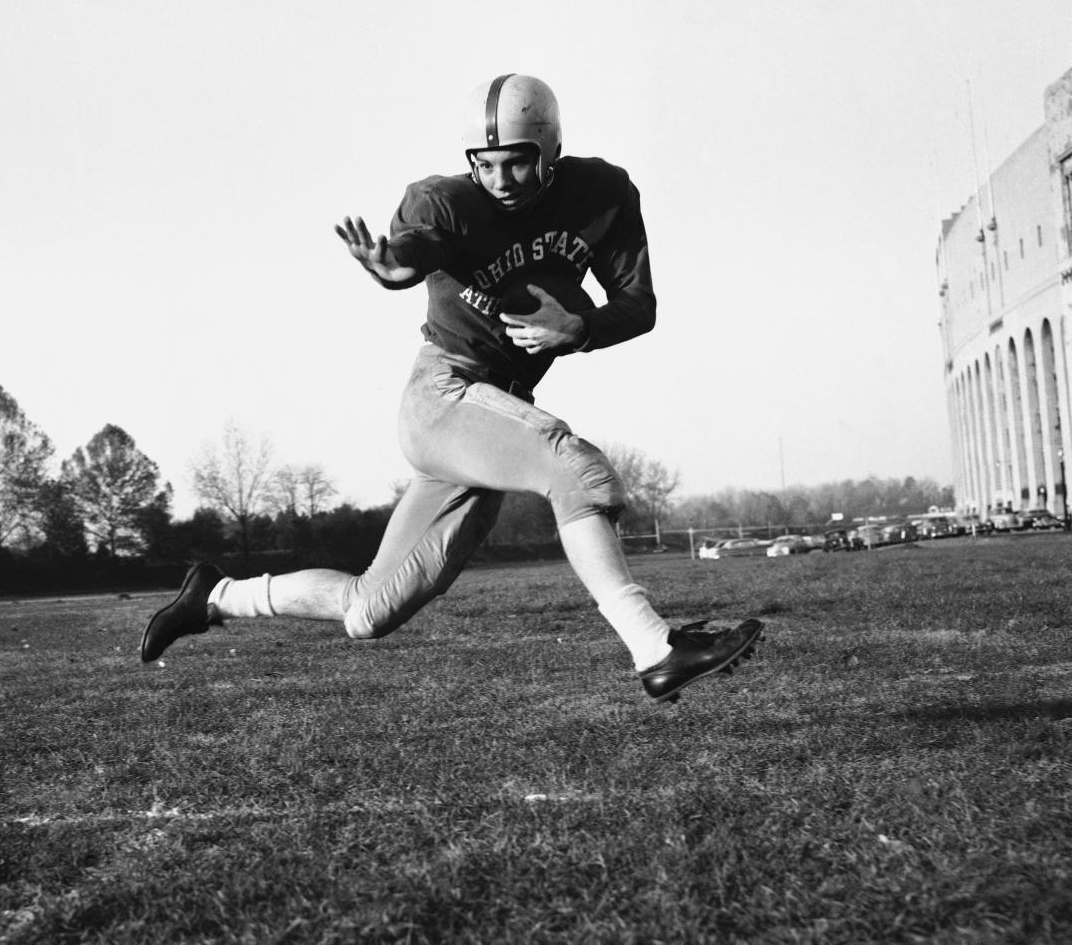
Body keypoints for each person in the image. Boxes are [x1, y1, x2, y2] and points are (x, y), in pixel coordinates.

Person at [142, 74, 763, 703]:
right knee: (579, 472)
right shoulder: (446, 201)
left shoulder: (601, 192)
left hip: (496, 418)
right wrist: (393, 267)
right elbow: (415, 247)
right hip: (444, 396)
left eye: (516, 163)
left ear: (549, 150)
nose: (500, 180)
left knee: (369, 610)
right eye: (484, 165)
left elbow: (639, 304)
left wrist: (579, 329)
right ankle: (656, 649)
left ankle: (214, 596)